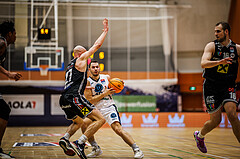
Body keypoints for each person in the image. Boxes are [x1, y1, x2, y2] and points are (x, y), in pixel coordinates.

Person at [59, 18, 109, 159]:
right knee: (100, 119)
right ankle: (80, 143)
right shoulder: (81, 60)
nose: (89, 57)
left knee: (79, 121)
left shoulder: (70, 65)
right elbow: (97, 45)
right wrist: (105, 31)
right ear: (80, 54)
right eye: (87, 54)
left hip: (64, 99)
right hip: (75, 97)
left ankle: (65, 138)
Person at [194, 21, 240, 153]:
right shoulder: (211, 46)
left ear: (226, 32)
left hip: (228, 85)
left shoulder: (236, 49)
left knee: (232, 114)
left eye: (218, 31)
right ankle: (200, 135)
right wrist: (219, 61)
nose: (215, 34)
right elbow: (203, 63)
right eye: (215, 31)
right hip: (211, 86)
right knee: (216, 120)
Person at [82, 60, 144, 158]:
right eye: (93, 67)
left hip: (109, 107)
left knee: (118, 129)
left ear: (99, 68)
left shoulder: (106, 77)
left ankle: (137, 149)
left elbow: (113, 90)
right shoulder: (87, 82)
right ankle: (95, 148)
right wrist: (104, 93)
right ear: (89, 69)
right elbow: (90, 101)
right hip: (96, 110)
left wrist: (118, 87)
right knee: (84, 124)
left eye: (97, 67)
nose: (95, 69)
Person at [0, 21, 22, 158]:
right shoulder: (1, 43)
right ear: (9, 34)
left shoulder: (2, 43)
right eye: (15, 34)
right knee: (4, 110)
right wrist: (8, 73)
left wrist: (8, 74)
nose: (16, 37)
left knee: (3, 110)